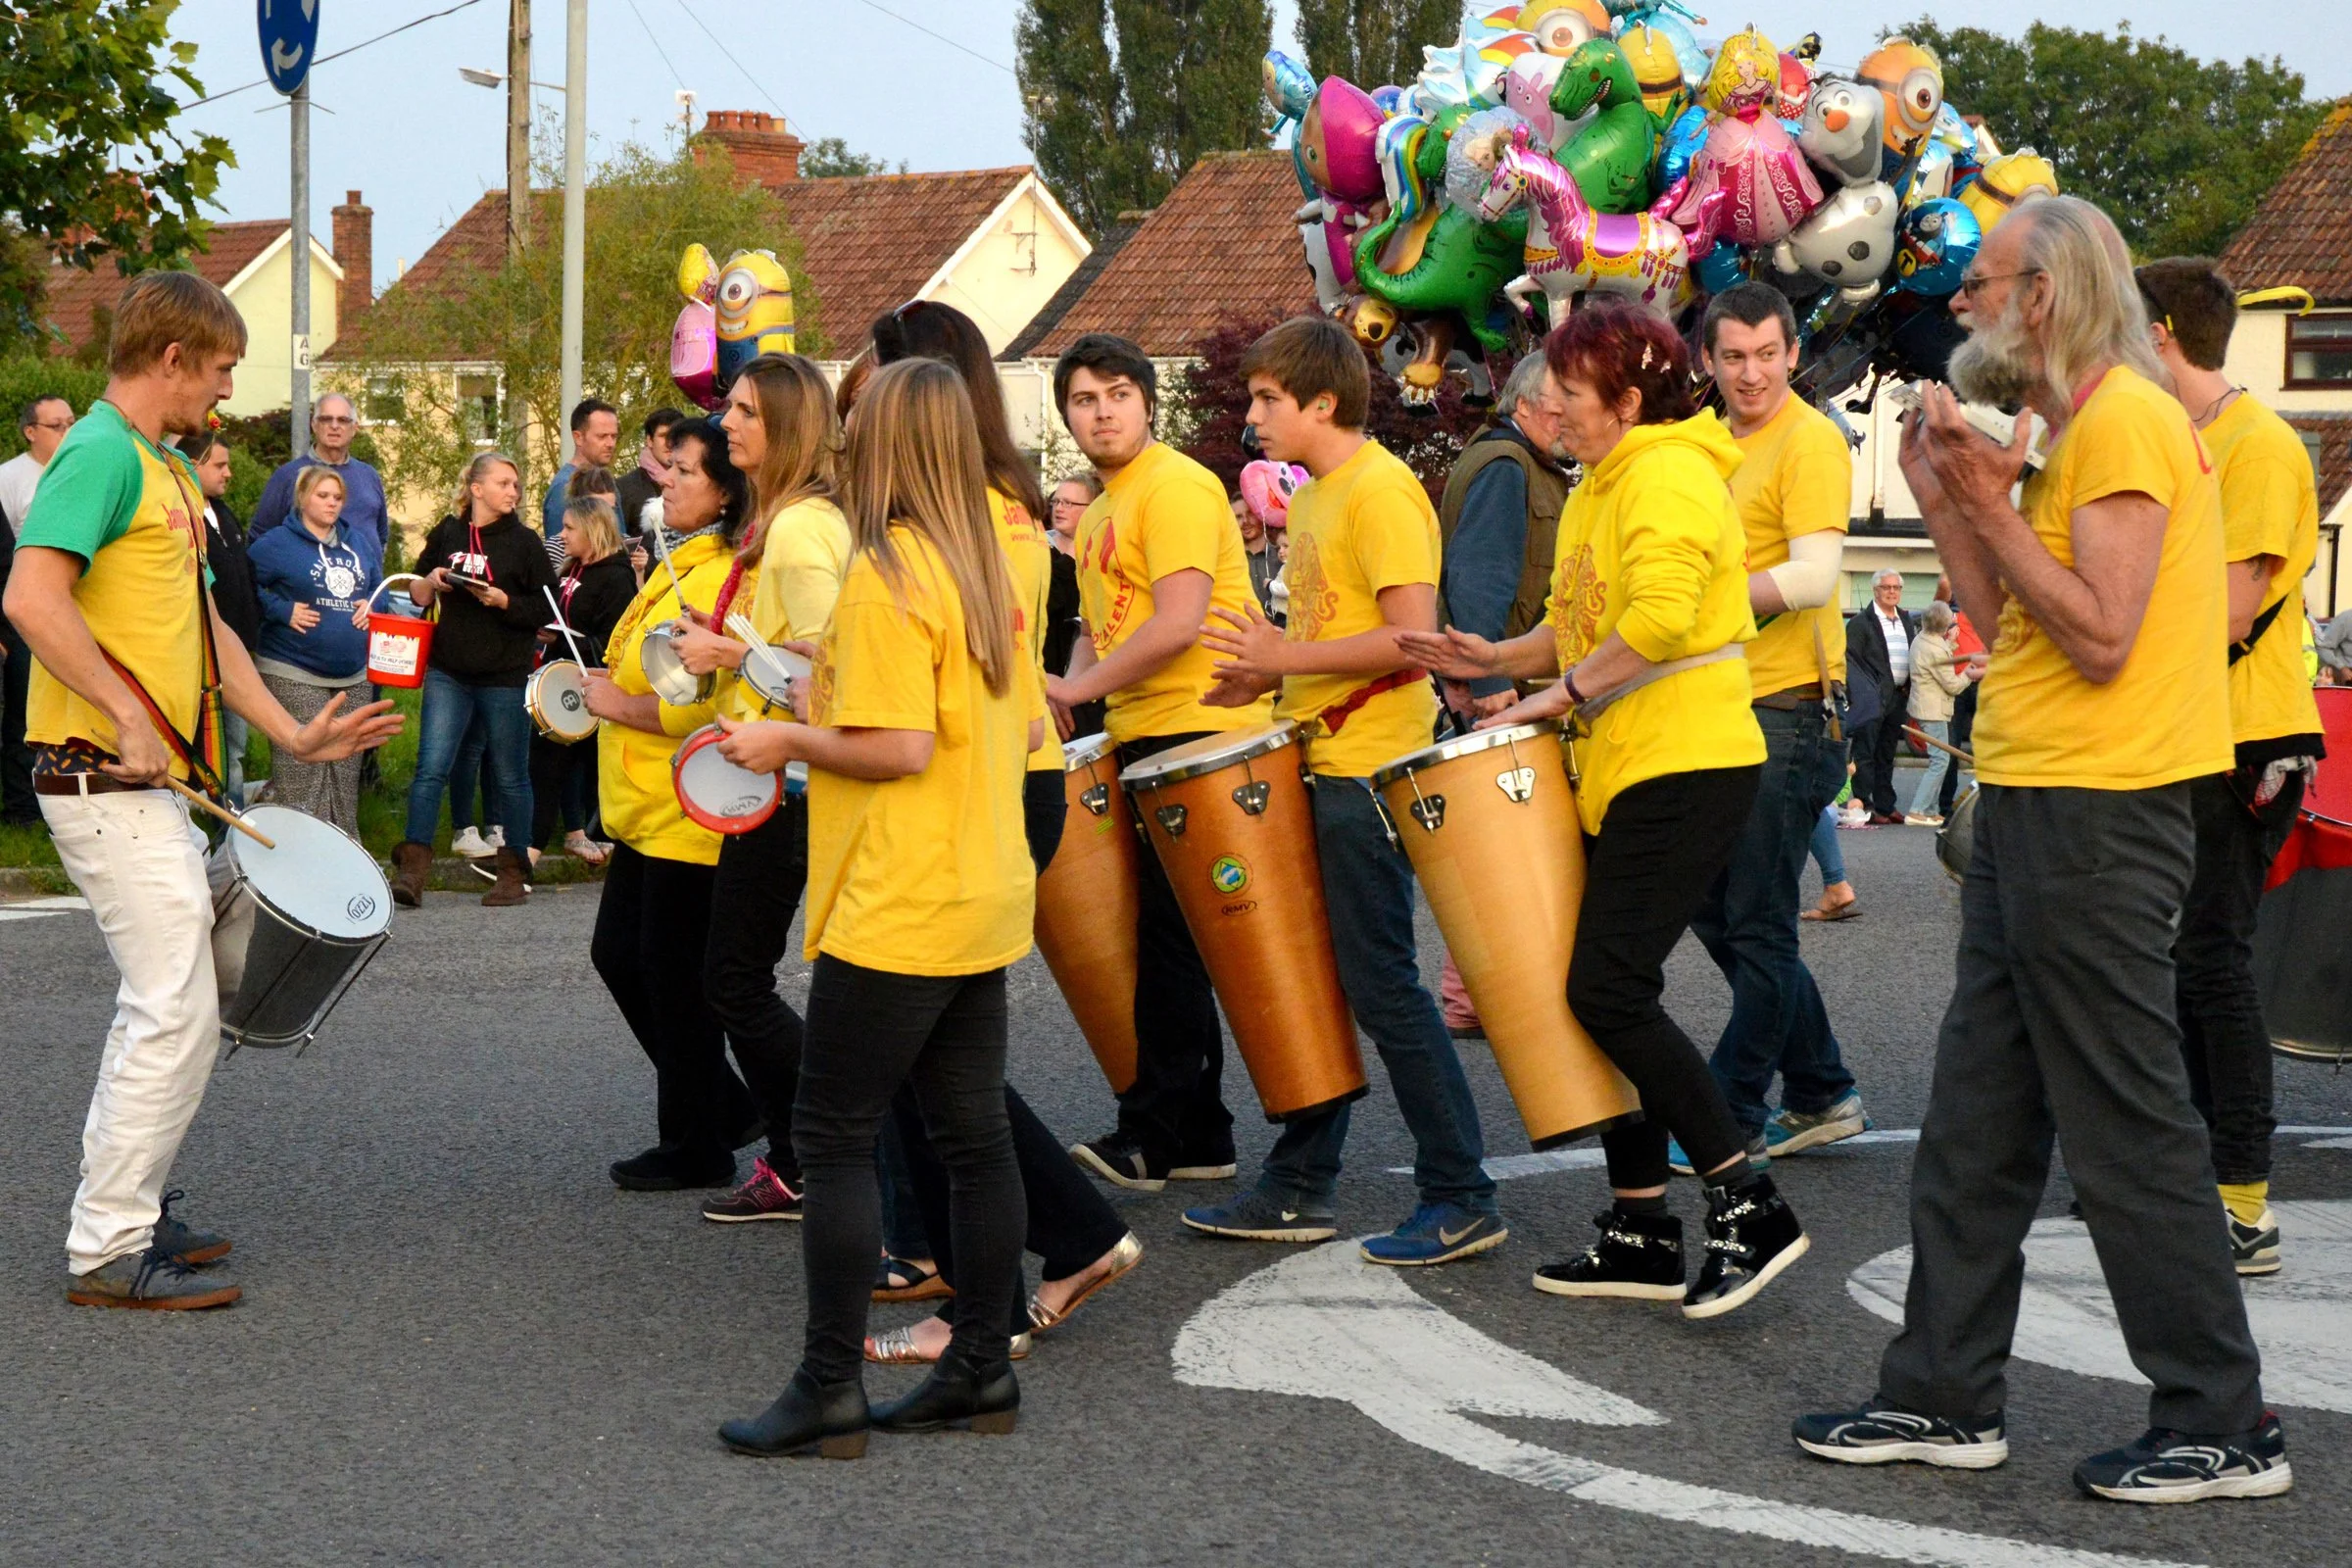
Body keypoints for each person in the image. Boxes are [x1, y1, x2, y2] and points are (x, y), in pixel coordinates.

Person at [1795, 196, 2288, 1503]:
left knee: (2128, 1133)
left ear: (2051, 293)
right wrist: (1946, 496)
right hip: (2039, 805)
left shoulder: (2124, 419)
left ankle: (2224, 1422)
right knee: (1975, 1130)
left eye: (1982, 285)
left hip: (2101, 814)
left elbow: (2103, 632)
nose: (1964, 306)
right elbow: (2005, 618)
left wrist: (1990, 500)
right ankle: (1943, 1398)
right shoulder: (2080, 428)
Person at [3, 270, 399, 1309]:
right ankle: (108, 1244)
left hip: (152, 781)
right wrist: (125, 713)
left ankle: (130, 1199)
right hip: (97, 772)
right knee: (172, 1000)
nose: (224, 394)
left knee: (179, 995)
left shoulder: (164, 467)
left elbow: (207, 630)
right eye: (219, 371)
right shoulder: (97, 453)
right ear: (173, 359)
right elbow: (31, 597)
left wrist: (290, 727)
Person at [1405, 304, 1805, 1315]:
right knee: (1582, 986)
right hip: (1628, 763)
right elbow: (1577, 619)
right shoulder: (1601, 481)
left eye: (1569, 393)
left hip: (1689, 760)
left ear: (1628, 399)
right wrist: (1496, 658)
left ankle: (1747, 1203)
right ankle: (1639, 1224)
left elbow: (1664, 621)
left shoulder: (1666, 471)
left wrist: (1565, 693)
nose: (1550, 405)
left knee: (1608, 989)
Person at [715, 358, 1039, 1457]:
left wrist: (784, 737)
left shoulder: (888, 569)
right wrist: (817, 691)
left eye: (856, 425)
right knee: (972, 1135)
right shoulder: (988, 562)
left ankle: (826, 1388)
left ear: (887, 441)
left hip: (901, 892)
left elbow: (896, 746)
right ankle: (980, 1367)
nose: (843, 442)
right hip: (981, 884)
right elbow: (1005, 726)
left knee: (833, 1134)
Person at [854, 300, 1147, 1360]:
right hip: (1010, 773)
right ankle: (985, 1255)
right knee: (932, 1054)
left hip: (977, 781)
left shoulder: (962, 514)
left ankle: (1057, 1243)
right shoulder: (1009, 501)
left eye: (877, 383)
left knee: (934, 1056)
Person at [1179, 315, 1503, 1266]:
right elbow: (1330, 638)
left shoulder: (1380, 493)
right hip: (1324, 755)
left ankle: (1462, 1190)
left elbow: (1414, 637)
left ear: (1323, 402)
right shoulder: (1316, 496)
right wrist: (1268, 679)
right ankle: (1301, 1180)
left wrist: (1287, 656)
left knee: (1386, 990)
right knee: (1326, 984)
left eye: (1269, 400)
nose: (1253, 417)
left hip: (1368, 771)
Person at [2138, 256, 2329, 1277]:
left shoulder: (2256, 444)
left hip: (2248, 735)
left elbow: (2229, 613)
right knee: (2179, 961)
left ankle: (2244, 1199)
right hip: (2190, 729)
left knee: (2214, 961)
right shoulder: (2188, 436)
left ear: (2163, 333)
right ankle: (2187, 1173)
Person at [1046, 333, 1261, 1191]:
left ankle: (1157, 1133)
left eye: (1118, 394)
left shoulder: (1174, 487)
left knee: (1173, 944)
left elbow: (1176, 624)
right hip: (1142, 734)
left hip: (1201, 732)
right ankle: (1201, 1132)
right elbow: (1103, 627)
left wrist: (1074, 693)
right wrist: (1072, 699)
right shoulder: (1100, 510)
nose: (1102, 412)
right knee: (1159, 940)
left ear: (1147, 401)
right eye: (1085, 400)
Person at [1683, 281, 1869, 1168]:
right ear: (1707, 361)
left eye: (1766, 354)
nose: (1750, 373)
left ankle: (1731, 1113)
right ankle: (1823, 1088)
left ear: (1794, 353)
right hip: (1715, 708)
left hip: (1789, 709)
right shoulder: (1702, 441)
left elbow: (1810, 579)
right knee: (1718, 915)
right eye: (1733, 357)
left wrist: (1689, 606)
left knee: (1754, 925)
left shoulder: (1813, 440)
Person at [665, 353, 849, 1221]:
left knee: (735, 980)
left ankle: (823, 1147)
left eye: (745, 412)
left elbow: (834, 666)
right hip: (773, 772)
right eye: (730, 407)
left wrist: (733, 655)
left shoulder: (806, 529)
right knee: (733, 975)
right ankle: (806, 1150)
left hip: (795, 777)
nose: (726, 422)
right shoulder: (784, 520)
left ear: (788, 427)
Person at [578, 416, 762, 1192]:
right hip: (644, 808)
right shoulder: (681, 557)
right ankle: (721, 1109)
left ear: (724, 490)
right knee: (625, 958)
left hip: (689, 808)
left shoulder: (726, 568)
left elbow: (704, 699)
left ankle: (700, 1141)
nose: (666, 480)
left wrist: (615, 707)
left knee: (678, 978)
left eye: (684, 471)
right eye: (668, 468)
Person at [390, 452, 556, 908]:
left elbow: (548, 611)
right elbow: (416, 593)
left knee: (510, 776)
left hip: (504, 674)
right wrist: (436, 578)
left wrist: (504, 602)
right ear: (477, 489)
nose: (513, 492)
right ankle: (413, 872)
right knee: (431, 769)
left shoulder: (525, 542)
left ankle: (510, 874)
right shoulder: (448, 531)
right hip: (449, 671)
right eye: (504, 483)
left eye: (516, 485)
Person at [247, 466, 378, 834]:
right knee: (304, 773)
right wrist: (281, 610)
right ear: (303, 498)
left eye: (337, 498)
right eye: (322, 495)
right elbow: (241, 583)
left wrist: (372, 605)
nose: (331, 503)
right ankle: (297, 857)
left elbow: (379, 587)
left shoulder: (358, 543)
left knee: (346, 771)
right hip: (294, 668)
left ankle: (346, 858)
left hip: (354, 673)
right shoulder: (276, 544)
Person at [527, 498, 634, 866]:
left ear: (592, 529)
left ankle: (528, 857)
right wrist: (550, 632)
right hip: (559, 683)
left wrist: (567, 640)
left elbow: (615, 644)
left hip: (587, 688)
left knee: (550, 766)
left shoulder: (616, 578)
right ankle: (548, 846)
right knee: (549, 766)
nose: (561, 534)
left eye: (570, 527)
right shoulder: (573, 569)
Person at [0, 395, 74, 823]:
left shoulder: (76, 472)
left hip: (74, 610)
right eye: (57, 426)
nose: (67, 433)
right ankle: (22, 809)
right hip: (24, 615)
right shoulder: (11, 477)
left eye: (71, 423)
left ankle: (57, 797)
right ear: (31, 431)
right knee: (23, 714)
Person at [185, 435, 260, 805]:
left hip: (236, 650)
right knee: (210, 746)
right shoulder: (183, 515)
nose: (228, 473)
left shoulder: (223, 513)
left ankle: (232, 826)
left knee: (234, 748)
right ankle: (215, 824)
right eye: (219, 465)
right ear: (192, 465)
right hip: (200, 653)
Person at [249, 394, 389, 569]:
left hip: (365, 592)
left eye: (343, 420)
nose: (334, 426)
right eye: (326, 419)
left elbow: (381, 535)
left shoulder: (369, 476)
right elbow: (260, 537)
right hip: (306, 592)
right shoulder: (288, 476)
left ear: (354, 428)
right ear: (314, 425)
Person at [1844, 570, 1916, 824]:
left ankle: (1886, 805)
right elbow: (1851, 662)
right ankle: (1865, 803)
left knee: (1887, 752)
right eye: (1886, 587)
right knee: (1865, 751)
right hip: (1871, 698)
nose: (1892, 591)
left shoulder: (1906, 620)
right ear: (1876, 590)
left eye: (1896, 587)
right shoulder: (1861, 623)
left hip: (1898, 696)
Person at [1043, 472, 1102, 735]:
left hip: (1092, 679)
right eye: (1056, 502)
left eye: (1069, 503)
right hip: (1048, 672)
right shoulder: (1037, 550)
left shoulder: (1102, 555)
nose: (1059, 508)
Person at [1902, 603, 1970, 824]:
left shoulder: (1923, 639)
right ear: (1945, 624)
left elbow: (1935, 656)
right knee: (1940, 760)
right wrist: (1970, 673)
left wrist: (1949, 642)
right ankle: (1918, 810)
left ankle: (1930, 811)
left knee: (1939, 759)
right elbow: (1953, 685)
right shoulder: (1935, 648)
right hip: (1933, 710)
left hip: (1924, 706)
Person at [543, 397, 619, 543]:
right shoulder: (564, 487)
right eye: (602, 436)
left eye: (614, 436)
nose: (610, 444)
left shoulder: (606, 481)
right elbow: (561, 551)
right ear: (578, 437)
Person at [614, 406, 681, 537]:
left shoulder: (695, 484)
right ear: (649, 440)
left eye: (676, 436)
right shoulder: (623, 489)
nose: (670, 443)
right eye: (663, 436)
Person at [1231, 490, 1280, 613]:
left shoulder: (1282, 553)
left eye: (1250, 514)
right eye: (1238, 517)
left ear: (1259, 514)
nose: (1245, 521)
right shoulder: (1230, 560)